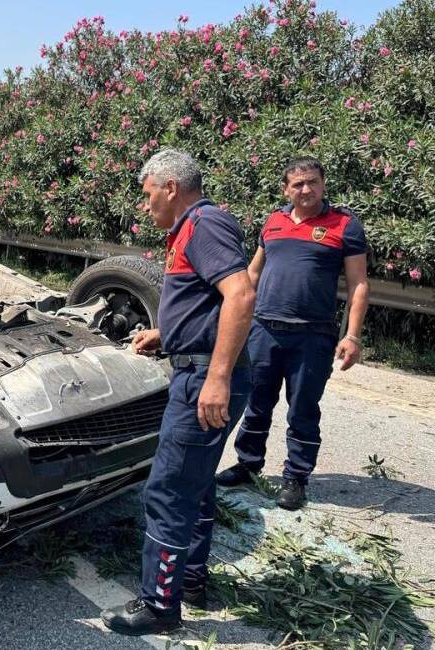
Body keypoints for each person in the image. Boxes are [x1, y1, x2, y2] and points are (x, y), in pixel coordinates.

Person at [102, 149, 255, 636]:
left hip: (204, 377)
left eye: (148, 195)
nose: (145, 206)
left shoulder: (204, 224)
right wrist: (166, 334)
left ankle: (159, 605)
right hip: (195, 364)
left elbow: (241, 294)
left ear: (170, 187)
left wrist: (217, 376)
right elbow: (206, 304)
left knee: (167, 490)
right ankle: (188, 580)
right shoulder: (189, 228)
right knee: (195, 482)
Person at [216, 157, 370, 510]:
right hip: (263, 330)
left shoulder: (345, 225)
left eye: (312, 182)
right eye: (298, 184)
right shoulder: (274, 222)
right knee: (256, 404)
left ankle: (296, 478)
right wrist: (233, 317)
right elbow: (252, 275)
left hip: (313, 336)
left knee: (302, 409)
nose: (306, 189)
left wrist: (353, 336)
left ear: (323, 183)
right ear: (286, 189)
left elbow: (359, 283)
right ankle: (248, 464)